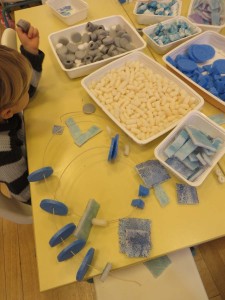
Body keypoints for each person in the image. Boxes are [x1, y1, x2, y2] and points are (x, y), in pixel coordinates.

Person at [0, 23, 45, 205]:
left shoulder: (7, 107)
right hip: (32, 186)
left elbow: (26, 93)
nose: (29, 89)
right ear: (8, 112)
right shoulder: (5, 155)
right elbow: (27, 194)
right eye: (24, 89)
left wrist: (29, 51)